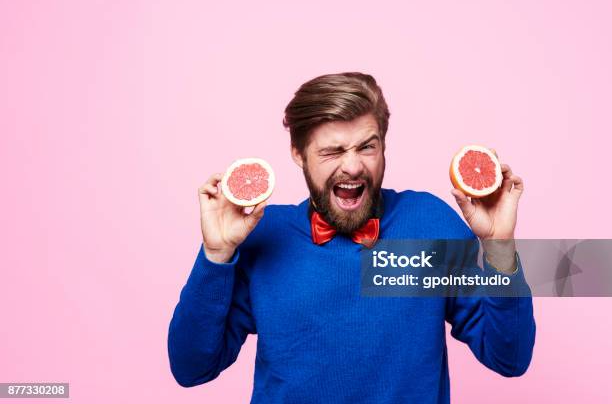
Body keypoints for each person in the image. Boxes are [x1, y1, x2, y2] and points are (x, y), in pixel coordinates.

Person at [167, 72, 536, 403]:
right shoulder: (264, 235)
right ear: (298, 154)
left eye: (367, 146)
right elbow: (191, 368)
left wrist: (499, 246)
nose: (353, 165)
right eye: (332, 151)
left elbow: (510, 358)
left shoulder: (430, 224)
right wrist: (215, 256)